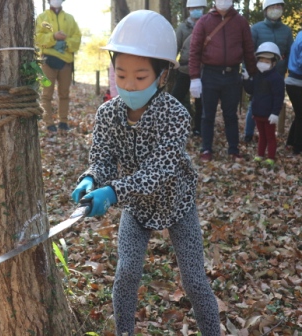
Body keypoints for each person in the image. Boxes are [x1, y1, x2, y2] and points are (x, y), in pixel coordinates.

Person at [71, 10, 220, 336]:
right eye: (120, 74)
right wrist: (92, 179)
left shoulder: (176, 116)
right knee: (126, 274)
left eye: (140, 78)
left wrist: (112, 192)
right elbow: (102, 158)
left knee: (194, 279)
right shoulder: (108, 114)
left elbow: (161, 170)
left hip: (177, 203)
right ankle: (125, 331)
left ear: (162, 76)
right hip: (136, 208)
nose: (127, 84)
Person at [189, 0, 257, 162]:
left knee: (230, 115)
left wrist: (251, 72)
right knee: (207, 115)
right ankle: (206, 148)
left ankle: (233, 149)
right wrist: (194, 77)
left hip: (232, 74)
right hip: (210, 74)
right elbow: (194, 51)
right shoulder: (204, 21)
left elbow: (248, 49)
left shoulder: (240, 22)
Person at [243, 0, 293, 143]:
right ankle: (248, 134)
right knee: (255, 103)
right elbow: (249, 51)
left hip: (278, 73)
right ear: (266, 10)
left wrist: (289, 70)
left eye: (279, 7)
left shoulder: (286, 30)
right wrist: (249, 70)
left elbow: (289, 52)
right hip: (259, 73)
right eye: (273, 7)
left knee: (276, 101)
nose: (276, 9)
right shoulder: (257, 28)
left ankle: (270, 135)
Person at [35, 0, 81, 133]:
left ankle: (63, 122)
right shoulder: (42, 17)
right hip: (47, 61)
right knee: (46, 94)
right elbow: (37, 38)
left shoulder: (70, 18)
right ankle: (48, 123)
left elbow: (77, 38)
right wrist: (53, 37)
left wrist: (66, 43)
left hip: (65, 62)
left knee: (64, 94)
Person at [243, 42, 285, 166]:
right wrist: (246, 80)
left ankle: (271, 157)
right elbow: (251, 90)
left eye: (267, 61)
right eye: (261, 60)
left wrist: (275, 113)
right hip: (257, 113)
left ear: (274, 63)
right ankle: (260, 155)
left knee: (270, 136)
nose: (263, 63)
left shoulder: (277, 79)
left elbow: (279, 97)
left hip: (269, 115)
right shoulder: (257, 75)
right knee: (261, 136)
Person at [171, 0, 207, 136]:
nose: (196, 10)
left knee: (200, 102)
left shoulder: (208, 26)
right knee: (176, 98)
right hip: (184, 68)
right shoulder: (182, 28)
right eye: (193, 8)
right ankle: (173, 127)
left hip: (202, 69)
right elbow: (175, 47)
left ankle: (198, 128)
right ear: (189, 9)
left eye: (199, 8)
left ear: (203, 8)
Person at [285, 30, 302, 155]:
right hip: (297, 82)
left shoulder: (300, 34)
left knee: (299, 114)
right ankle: (297, 148)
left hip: (293, 81)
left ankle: (291, 142)